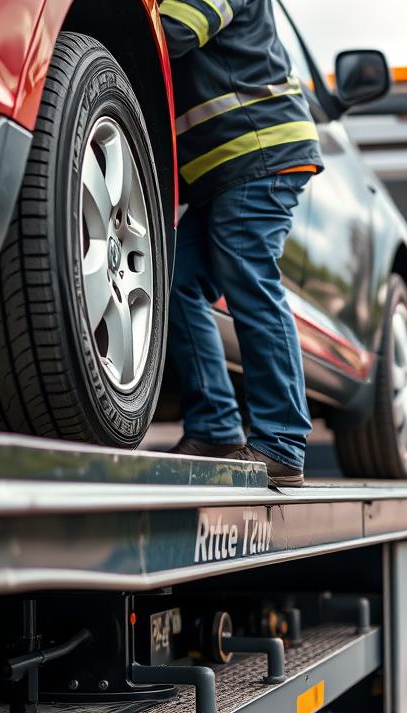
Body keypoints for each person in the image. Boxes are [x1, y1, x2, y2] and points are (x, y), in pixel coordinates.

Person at [158, 0, 323, 487]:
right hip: (225, 169)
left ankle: (282, 442)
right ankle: (214, 427)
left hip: (260, 151)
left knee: (247, 276)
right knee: (175, 276)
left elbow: (173, 30)